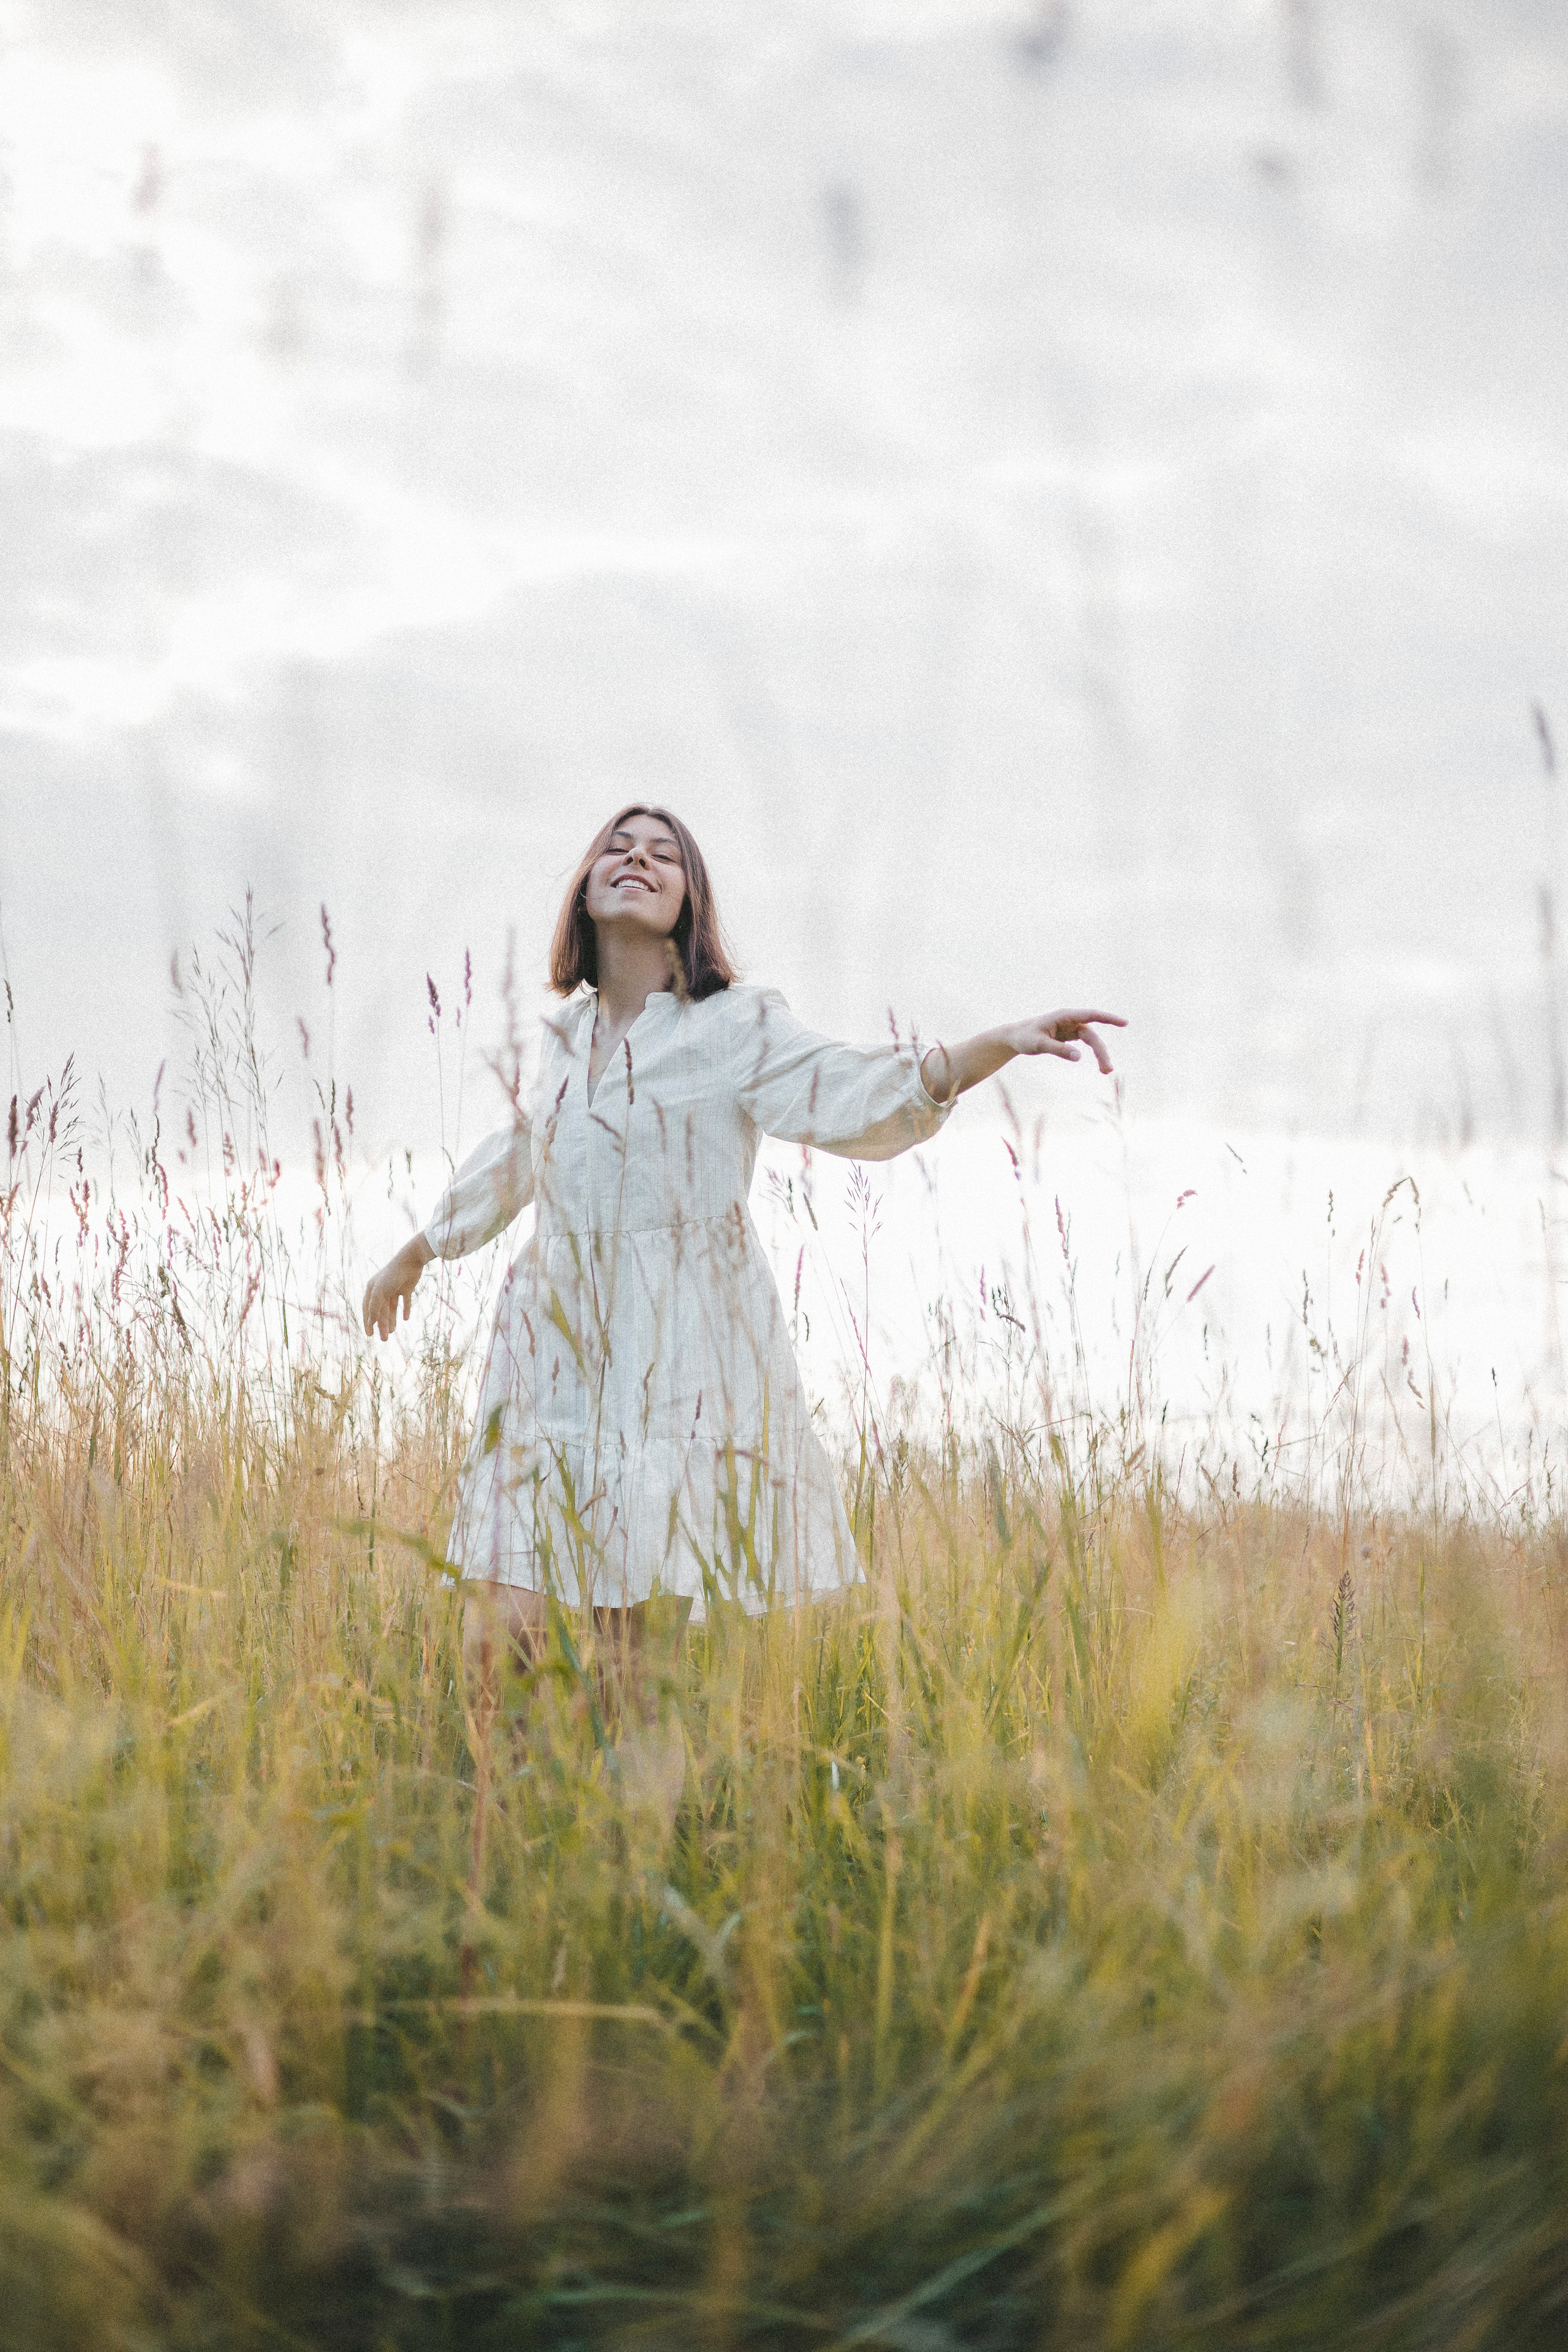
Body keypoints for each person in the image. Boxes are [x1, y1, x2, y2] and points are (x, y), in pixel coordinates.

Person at [362, 805, 1123, 1706]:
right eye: (618, 846)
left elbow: (849, 1088)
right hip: (553, 1360)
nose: (637, 859)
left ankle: (629, 1849)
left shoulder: (732, 1025)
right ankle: (514, 1841)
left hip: (675, 1364)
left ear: (689, 902)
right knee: (501, 1635)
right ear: (586, 887)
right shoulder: (565, 1040)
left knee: (631, 1673)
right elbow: (520, 1157)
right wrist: (417, 1251)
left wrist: (989, 1047)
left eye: (663, 856)